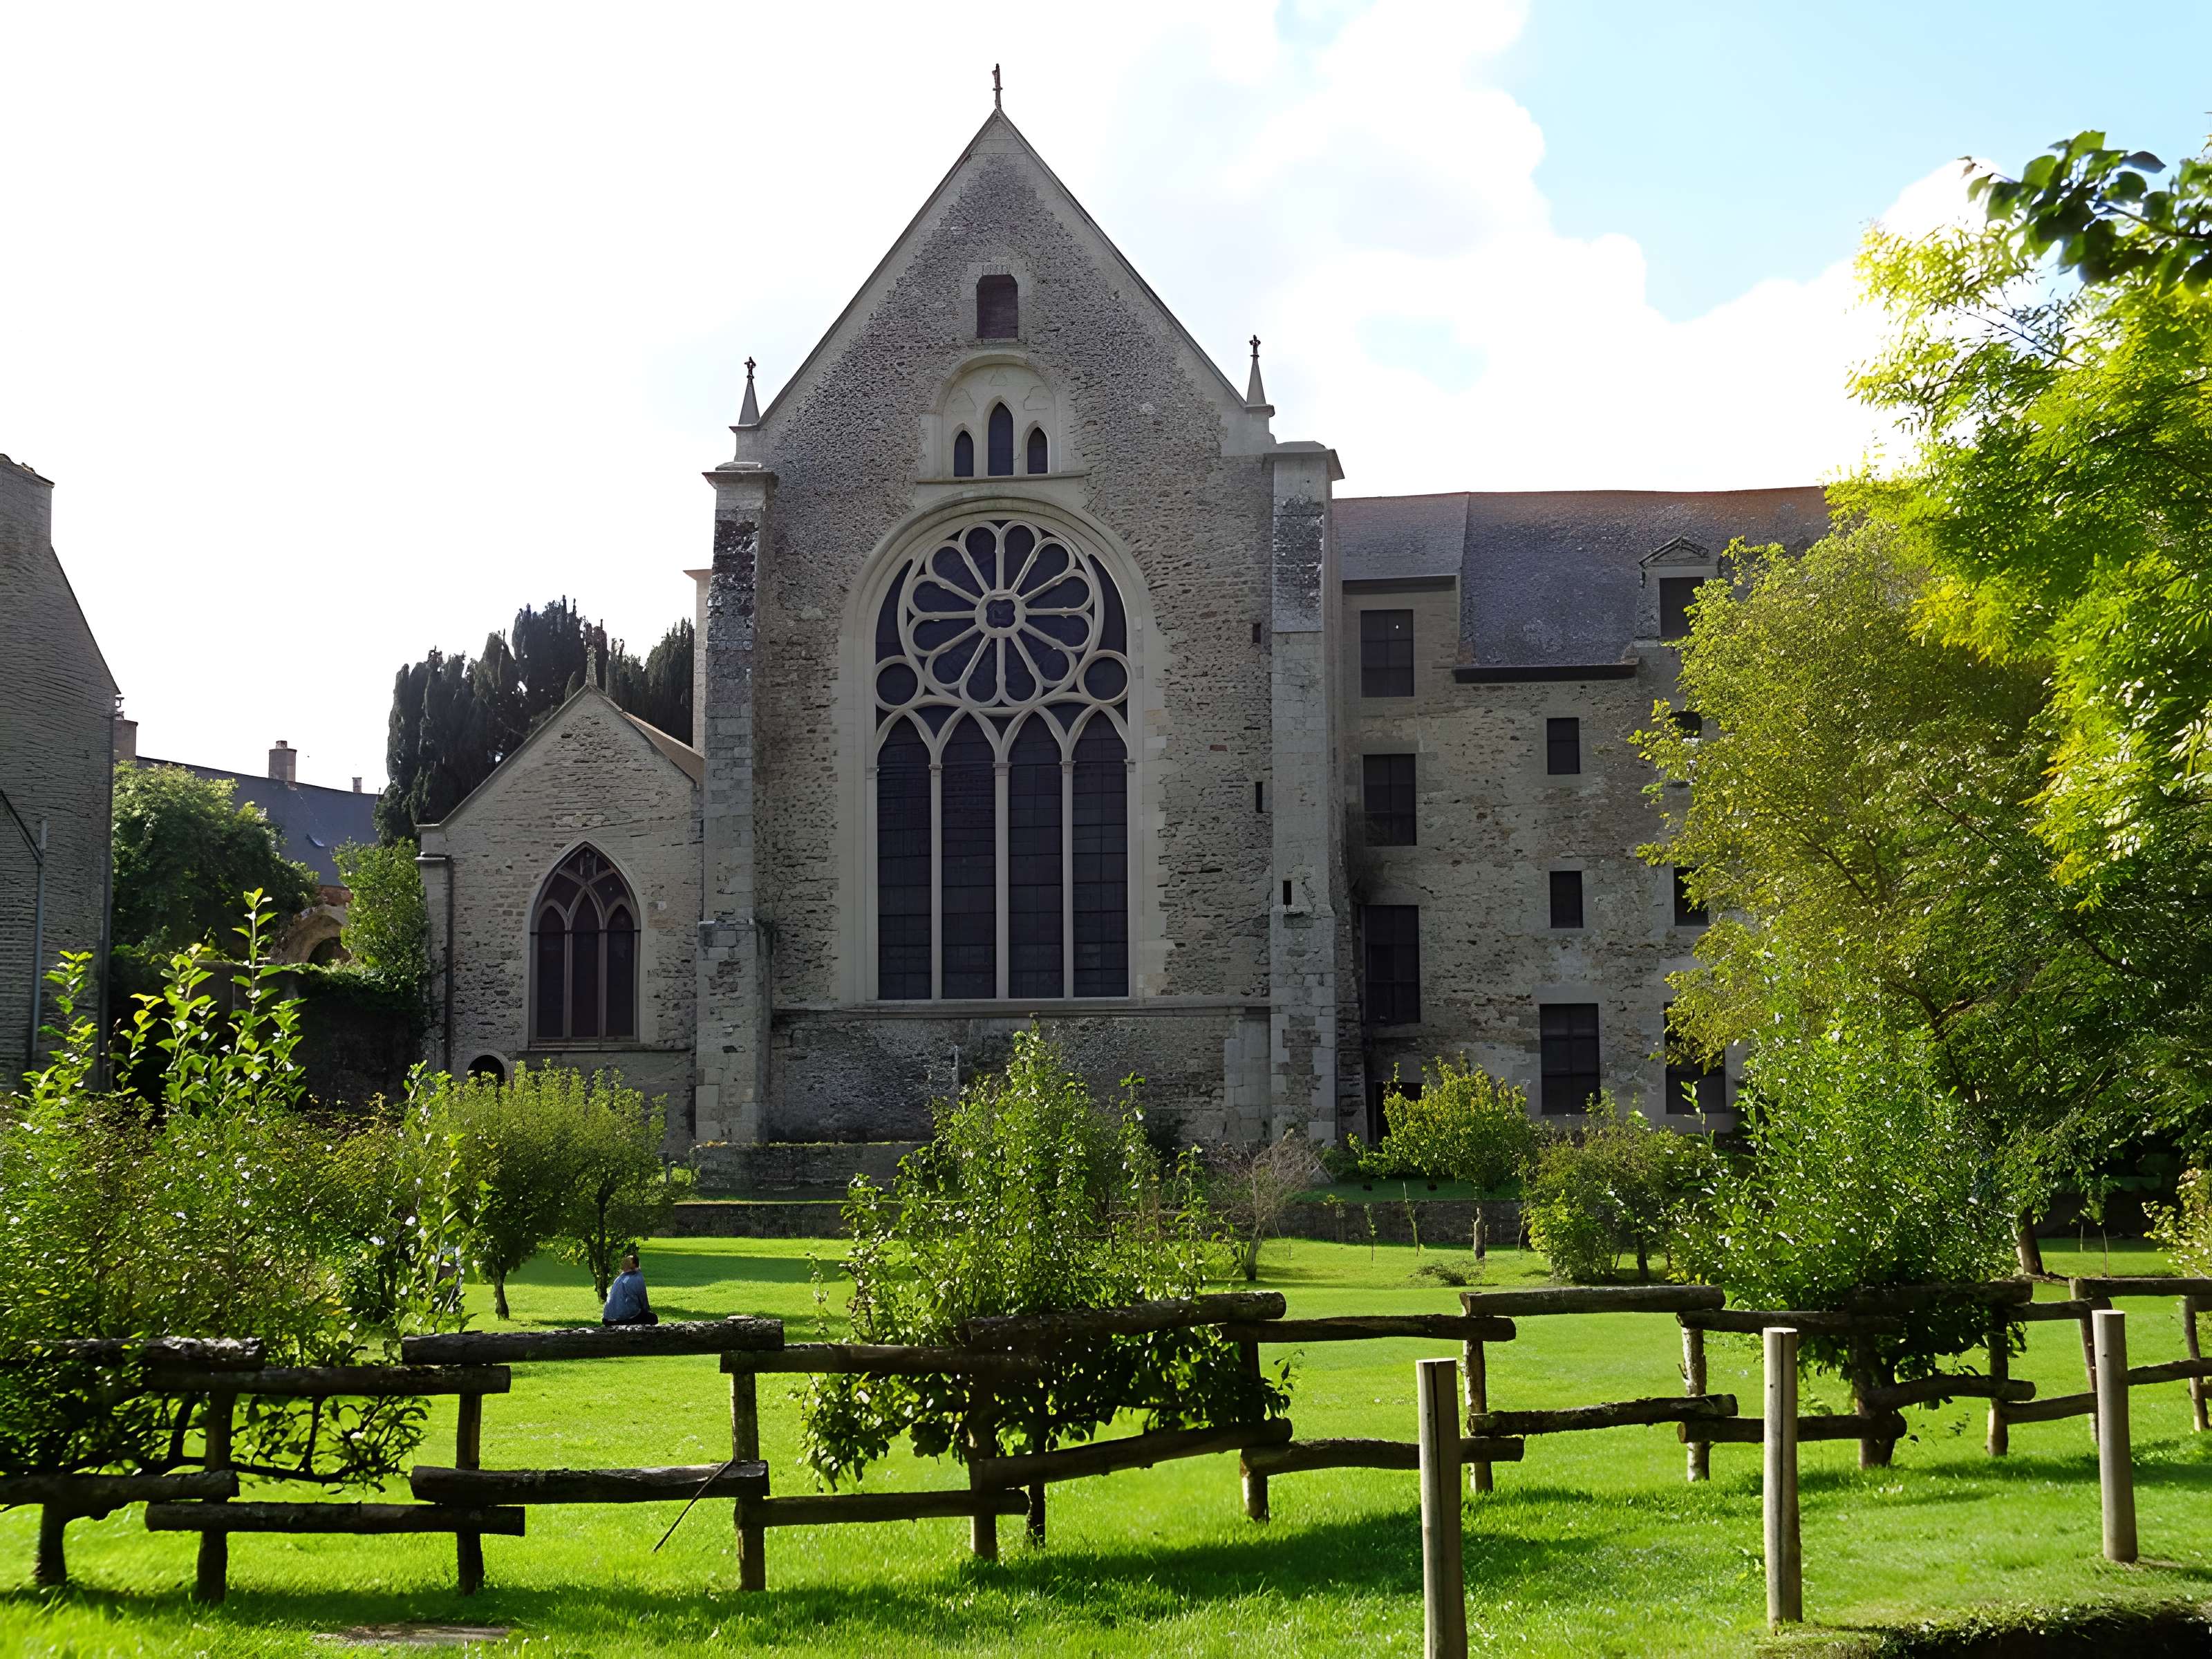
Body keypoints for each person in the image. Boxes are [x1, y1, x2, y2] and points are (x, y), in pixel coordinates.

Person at [601, 1251, 659, 1327]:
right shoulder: (637, 1277)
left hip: (608, 1318)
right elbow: (643, 1299)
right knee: (653, 1318)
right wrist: (646, 1310)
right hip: (624, 1318)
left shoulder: (620, 1278)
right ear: (636, 1264)